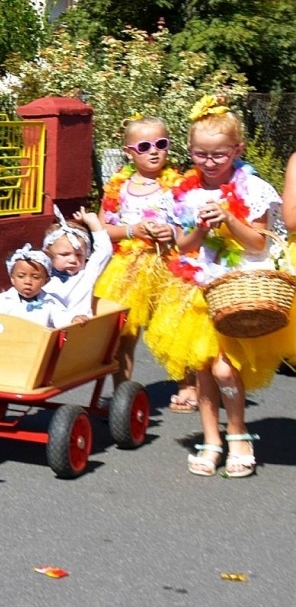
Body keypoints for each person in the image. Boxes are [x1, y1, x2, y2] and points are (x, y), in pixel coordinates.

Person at [145, 96, 295, 478]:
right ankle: (212, 439)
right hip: (196, 288)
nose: (209, 162)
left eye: (218, 154)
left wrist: (228, 218)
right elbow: (183, 246)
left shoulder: (253, 188)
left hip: (238, 285)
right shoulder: (183, 192)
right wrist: (200, 227)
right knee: (205, 370)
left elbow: (260, 243)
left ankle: (239, 433)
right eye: (200, 154)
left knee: (227, 371)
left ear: (237, 150)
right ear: (191, 151)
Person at [91, 117, 193, 403]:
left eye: (161, 144)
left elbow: (190, 226)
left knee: (175, 326)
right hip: (128, 267)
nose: (154, 151)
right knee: (123, 330)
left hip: (167, 263)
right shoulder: (118, 186)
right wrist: (131, 230)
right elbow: (102, 230)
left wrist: (170, 231)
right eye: (144, 146)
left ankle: (187, 385)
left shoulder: (178, 186)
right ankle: (123, 391)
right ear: (129, 151)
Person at [0, 246, 75, 327]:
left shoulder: (50, 302)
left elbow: (65, 322)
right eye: (21, 276)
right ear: (12, 278)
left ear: (45, 281)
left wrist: (74, 320)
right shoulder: (1, 302)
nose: (28, 281)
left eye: (36, 277)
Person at [40, 208, 111, 318]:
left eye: (79, 255)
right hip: (51, 332)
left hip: (79, 331)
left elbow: (104, 251)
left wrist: (93, 223)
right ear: (48, 254)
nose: (73, 260)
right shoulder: (40, 278)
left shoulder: (86, 275)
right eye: (65, 254)